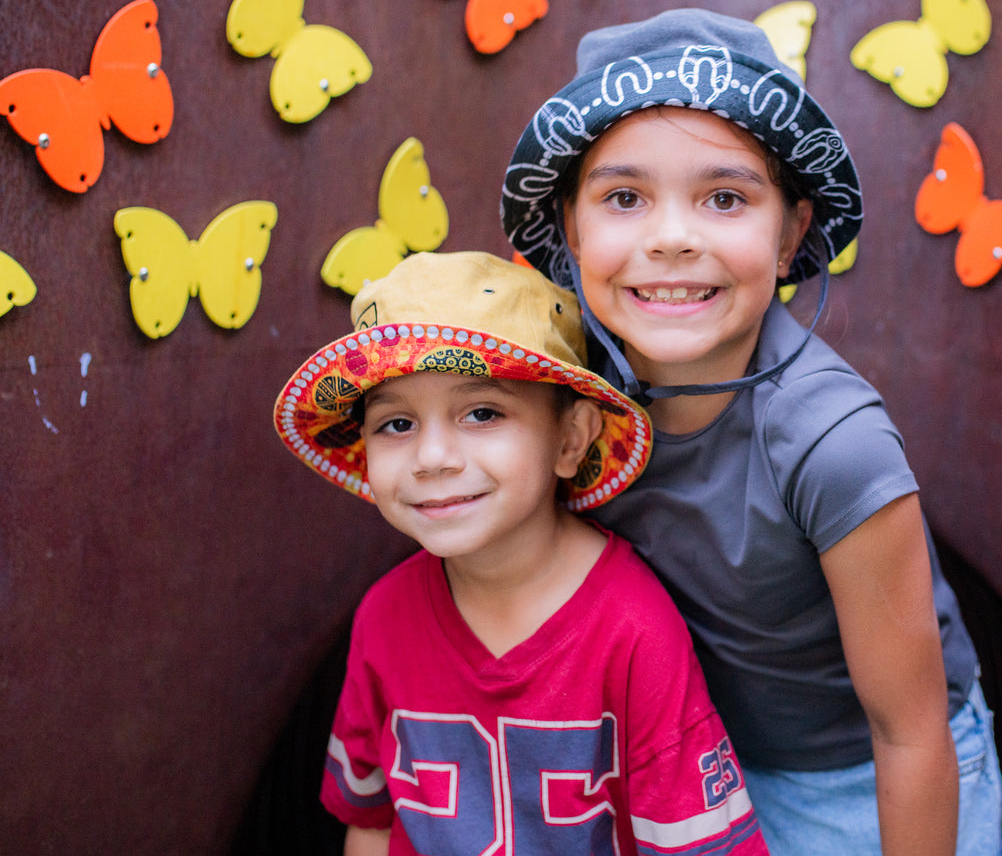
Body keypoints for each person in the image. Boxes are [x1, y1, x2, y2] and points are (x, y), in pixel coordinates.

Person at [501, 9, 1002, 855]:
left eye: (725, 198)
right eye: (624, 198)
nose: (671, 238)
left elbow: (909, 731)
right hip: (690, 760)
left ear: (790, 234)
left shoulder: (832, 442)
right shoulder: (567, 400)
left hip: (860, 777)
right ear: (573, 228)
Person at [272, 250, 769, 856]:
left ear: (571, 439)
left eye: (482, 413)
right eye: (396, 424)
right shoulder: (383, 617)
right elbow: (372, 822)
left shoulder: (635, 632)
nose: (432, 458)